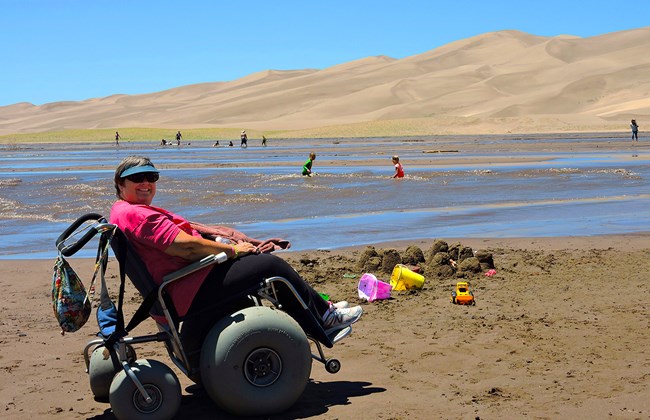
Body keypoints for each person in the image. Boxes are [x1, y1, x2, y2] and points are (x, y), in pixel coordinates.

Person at [109, 156, 362, 338]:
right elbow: (183, 248)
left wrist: (226, 242)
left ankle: (319, 308)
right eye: (136, 178)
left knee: (258, 261)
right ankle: (324, 319)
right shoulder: (137, 215)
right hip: (185, 288)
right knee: (270, 266)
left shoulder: (122, 211)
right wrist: (233, 251)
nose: (146, 183)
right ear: (121, 185)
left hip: (183, 283)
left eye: (151, 177)